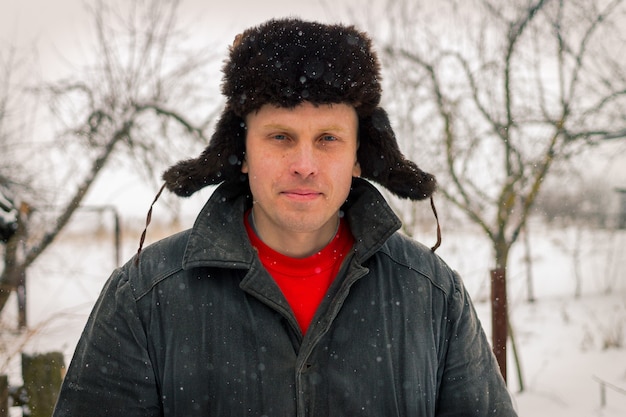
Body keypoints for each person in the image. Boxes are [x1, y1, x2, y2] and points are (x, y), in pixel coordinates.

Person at [53, 18, 518, 416]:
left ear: (359, 155)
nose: (304, 164)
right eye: (280, 136)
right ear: (241, 152)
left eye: (328, 139)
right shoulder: (144, 297)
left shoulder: (432, 295)